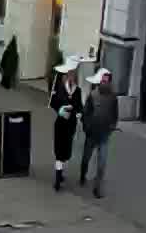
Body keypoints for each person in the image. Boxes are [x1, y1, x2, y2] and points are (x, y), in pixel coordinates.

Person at [80, 69, 119, 197]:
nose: (105, 84)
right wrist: (87, 127)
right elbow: (85, 114)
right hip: (92, 134)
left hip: (104, 135)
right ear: (99, 82)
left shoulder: (113, 97)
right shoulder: (93, 95)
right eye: (103, 81)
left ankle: (97, 188)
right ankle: (82, 174)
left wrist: (112, 126)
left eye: (107, 81)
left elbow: (115, 114)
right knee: (86, 157)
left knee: (102, 163)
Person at [49, 64, 83, 191]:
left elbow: (79, 105)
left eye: (73, 75)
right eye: (69, 74)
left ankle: (60, 172)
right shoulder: (58, 88)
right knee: (59, 151)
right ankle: (58, 179)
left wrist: (79, 112)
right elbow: (52, 103)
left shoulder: (77, 90)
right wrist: (59, 110)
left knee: (66, 152)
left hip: (71, 124)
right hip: (61, 123)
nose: (70, 77)